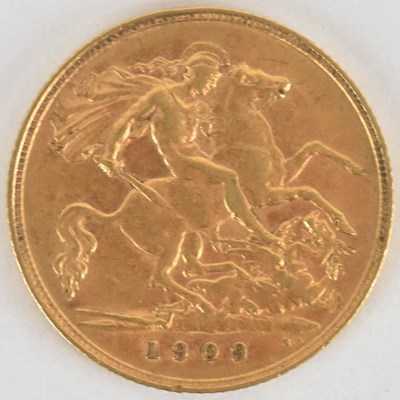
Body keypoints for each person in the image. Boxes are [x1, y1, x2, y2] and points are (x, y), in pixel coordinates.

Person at [95, 42, 281, 246]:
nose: (212, 85)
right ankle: (257, 231)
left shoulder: (198, 104)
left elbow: (208, 130)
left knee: (236, 176)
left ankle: (214, 228)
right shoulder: (163, 96)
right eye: (210, 79)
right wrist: (110, 155)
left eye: (214, 81)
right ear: (194, 74)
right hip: (179, 157)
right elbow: (127, 121)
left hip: (196, 153)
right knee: (229, 177)